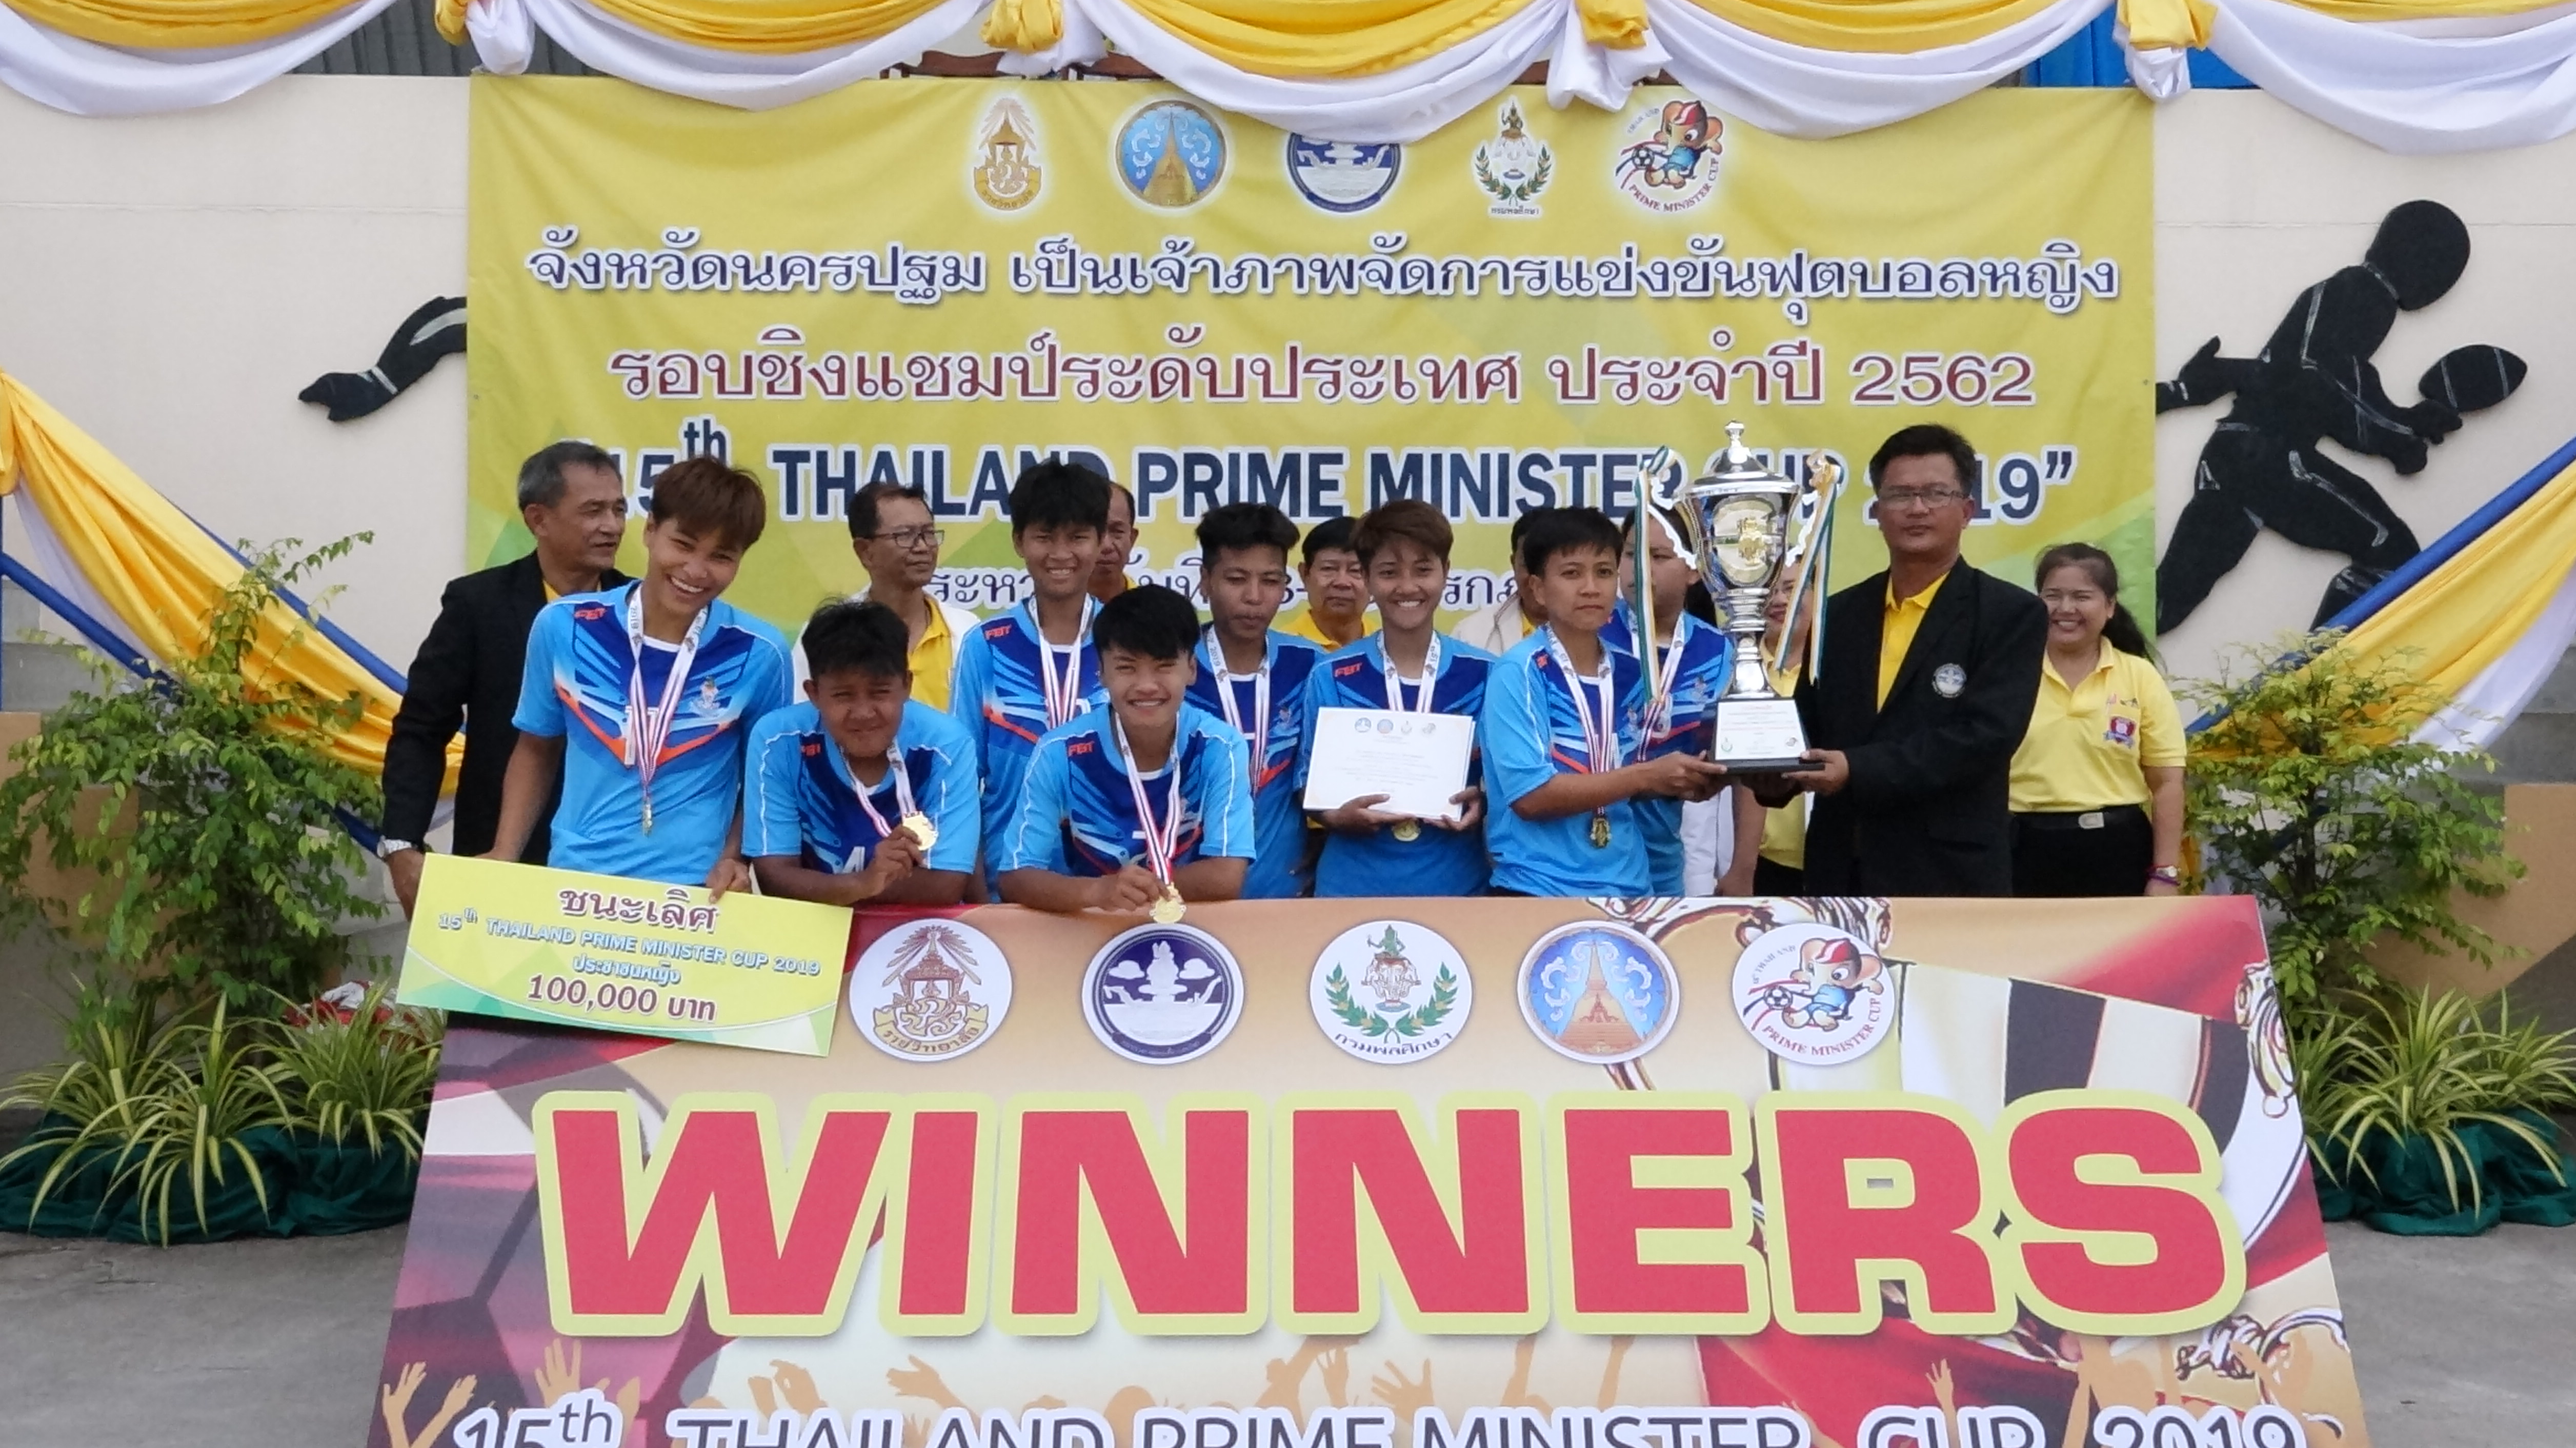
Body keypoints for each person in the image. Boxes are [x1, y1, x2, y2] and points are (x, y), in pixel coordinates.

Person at [1754, 424, 2046, 897]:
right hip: (1841, 871)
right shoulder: (1838, 614)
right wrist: (1766, 770)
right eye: (1900, 495)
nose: (1917, 508)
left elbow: (1984, 738)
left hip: (1950, 875)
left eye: (1936, 493)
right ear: (1876, 511)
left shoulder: (2010, 614)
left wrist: (1857, 768)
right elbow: (1807, 726)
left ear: (1967, 511)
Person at [487, 456, 791, 892]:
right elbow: (537, 747)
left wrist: (733, 859)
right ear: (650, 530)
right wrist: (504, 852)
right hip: (577, 881)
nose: (696, 570)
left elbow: (766, 778)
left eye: (721, 557)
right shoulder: (564, 625)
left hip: (695, 892)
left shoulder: (760, 652)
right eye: (683, 545)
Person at [380, 441, 629, 915]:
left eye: (619, 509)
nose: (612, 526)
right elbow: (422, 729)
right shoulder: (478, 605)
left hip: (618, 871)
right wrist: (401, 844)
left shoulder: (643, 611)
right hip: (500, 858)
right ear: (539, 520)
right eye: (593, 510)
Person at [1482, 508, 1726, 897]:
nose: (1591, 588)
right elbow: (1531, 797)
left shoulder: (1632, 672)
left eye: (1604, 572)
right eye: (1571, 574)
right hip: (1540, 887)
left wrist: (1683, 782)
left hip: (1631, 885)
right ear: (1539, 589)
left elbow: (1619, 773)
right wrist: (1648, 776)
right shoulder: (1520, 671)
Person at [997, 585, 1255, 914]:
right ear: (1101, 672)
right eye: (1127, 667)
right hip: (1090, 930)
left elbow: (1226, 876)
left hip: (1189, 930)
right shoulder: (1059, 752)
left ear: (1191, 669)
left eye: (1164, 666)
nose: (1146, 685)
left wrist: (1133, 892)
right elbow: (1016, 876)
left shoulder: (1220, 746)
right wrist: (1097, 891)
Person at [1301, 500, 1497, 898]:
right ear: (1368, 579)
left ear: (1446, 572)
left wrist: (1486, 801)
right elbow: (1306, 785)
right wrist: (1336, 817)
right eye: (1389, 572)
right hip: (1351, 889)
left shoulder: (1489, 673)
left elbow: (1509, 779)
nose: (1407, 587)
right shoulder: (1330, 674)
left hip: (1460, 889)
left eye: (1423, 570)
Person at [744, 600, 979, 906]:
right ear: (813, 693)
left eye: (880, 692)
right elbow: (774, 877)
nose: (864, 713)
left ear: (907, 685)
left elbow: (946, 884)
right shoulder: (778, 740)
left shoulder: (946, 745)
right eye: (843, 695)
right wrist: (863, 883)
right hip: (813, 929)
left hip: (914, 928)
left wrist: (846, 889)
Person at [951, 460, 1111, 885]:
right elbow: (961, 782)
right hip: (1008, 881)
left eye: (1077, 537)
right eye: (1044, 537)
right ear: (1019, 541)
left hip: (1112, 885)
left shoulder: (1127, 640)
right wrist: (976, 892)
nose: (1060, 554)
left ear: (1100, 541)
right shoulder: (987, 645)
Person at [2007, 544, 2187, 897]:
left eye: (2082, 597)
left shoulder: (2139, 676)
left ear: (2110, 606)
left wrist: (2165, 874)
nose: (2065, 609)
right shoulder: (2008, 671)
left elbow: (2167, 783)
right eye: (2053, 595)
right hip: (2019, 850)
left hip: (2117, 851)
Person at [1189, 504, 1326, 900]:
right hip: (1187, 898)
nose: (1254, 597)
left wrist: (1326, 849)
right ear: (1206, 580)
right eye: (1236, 579)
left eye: (1270, 581)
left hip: (1284, 898)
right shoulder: (1172, 667)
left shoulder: (1312, 666)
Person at [1601, 504, 1735, 897]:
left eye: (1658, 557)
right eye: (1631, 554)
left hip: (1663, 859)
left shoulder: (1717, 652)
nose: (1641, 570)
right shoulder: (1589, 632)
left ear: (1695, 569)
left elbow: (1730, 755)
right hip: (1583, 856)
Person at [791, 480, 981, 710]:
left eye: (929, 533)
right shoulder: (828, 634)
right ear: (865, 551)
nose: (923, 547)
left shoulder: (970, 631)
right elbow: (803, 718)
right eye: (905, 535)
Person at [1454, 508, 1549, 655]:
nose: (1537, 580)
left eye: (1547, 567)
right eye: (1529, 565)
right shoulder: (1469, 636)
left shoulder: (1589, 631)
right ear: (1513, 564)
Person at [1280, 516, 1375, 649]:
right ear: (1305, 574)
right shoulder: (1279, 650)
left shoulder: (1388, 646)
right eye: (1329, 568)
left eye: (1356, 570)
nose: (1342, 582)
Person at [1089, 480, 1137, 602]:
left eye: (1117, 531)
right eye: (1095, 531)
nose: (1106, 546)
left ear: (1132, 539)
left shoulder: (1154, 610)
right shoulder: (1045, 610)